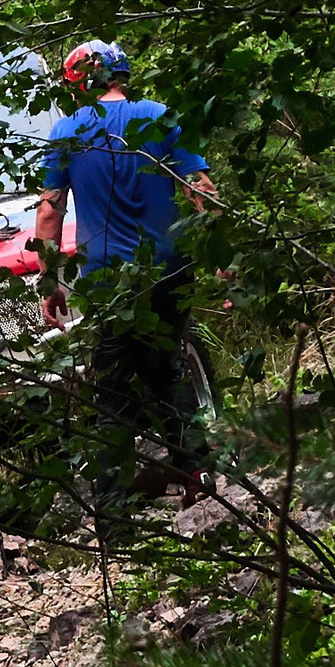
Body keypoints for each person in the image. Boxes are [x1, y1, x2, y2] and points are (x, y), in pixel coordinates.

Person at [31, 40, 217, 511]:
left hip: (108, 278)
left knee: (114, 391)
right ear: (123, 74)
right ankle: (198, 474)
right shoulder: (159, 115)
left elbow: (50, 212)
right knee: (167, 365)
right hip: (170, 267)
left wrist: (50, 281)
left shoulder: (67, 132)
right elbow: (200, 189)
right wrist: (223, 256)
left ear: (77, 84)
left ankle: (112, 512)